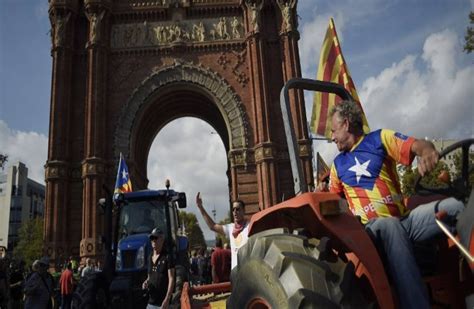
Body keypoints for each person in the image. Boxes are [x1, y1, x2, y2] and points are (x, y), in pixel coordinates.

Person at [328, 100, 464, 309]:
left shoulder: (379, 139)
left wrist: (427, 151)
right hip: (371, 231)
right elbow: (331, 201)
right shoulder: (337, 166)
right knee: (389, 225)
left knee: (456, 206)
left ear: (346, 124)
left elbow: (418, 145)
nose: (331, 137)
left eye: (333, 130)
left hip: (406, 221)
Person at [196, 193, 249, 269]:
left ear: (244, 211)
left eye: (237, 209)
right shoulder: (231, 227)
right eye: (233, 209)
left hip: (248, 272)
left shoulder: (250, 226)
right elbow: (213, 226)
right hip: (236, 275)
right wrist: (200, 207)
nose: (235, 212)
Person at [142, 228, 175, 309]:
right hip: (151, 302)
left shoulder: (167, 257)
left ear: (162, 239)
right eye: (151, 238)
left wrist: (167, 299)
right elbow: (149, 277)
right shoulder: (150, 257)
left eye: (155, 238)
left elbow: (171, 279)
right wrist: (145, 283)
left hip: (163, 304)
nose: (153, 241)